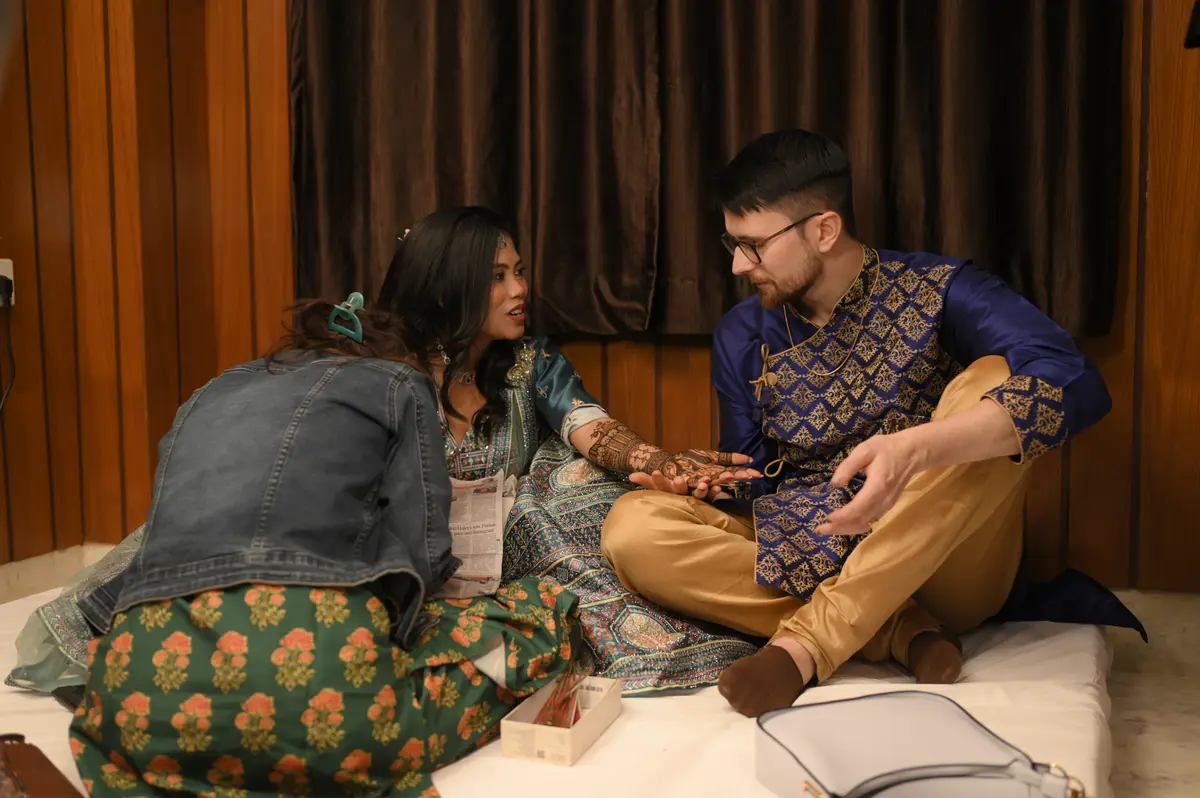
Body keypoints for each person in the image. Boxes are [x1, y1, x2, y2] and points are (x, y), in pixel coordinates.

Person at [601, 128, 1118, 718]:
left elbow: (1076, 381)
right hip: (815, 544)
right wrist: (708, 487)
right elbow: (758, 484)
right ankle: (898, 630)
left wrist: (920, 448)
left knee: (997, 381)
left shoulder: (939, 291)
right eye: (733, 243)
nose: (740, 265)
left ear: (824, 230)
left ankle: (808, 644)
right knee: (632, 530)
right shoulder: (742, 334)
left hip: (943, 560)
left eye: (755, 245)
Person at [66, 295, 579, 797]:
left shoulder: (210, 391)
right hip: (323, 694)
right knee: (539, 618)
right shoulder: (400, 383)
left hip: (130, 697)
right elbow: (424, 552)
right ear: (397, 356)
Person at [375, 207, 770, 693]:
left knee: (568, 481)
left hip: (527, 559)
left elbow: (590, 426)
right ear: (445, 288)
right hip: (424, 566)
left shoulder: (530, 362)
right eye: (497, 277)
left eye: (519, 272)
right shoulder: (388, 378)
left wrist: (660, 462)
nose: (520, 289)